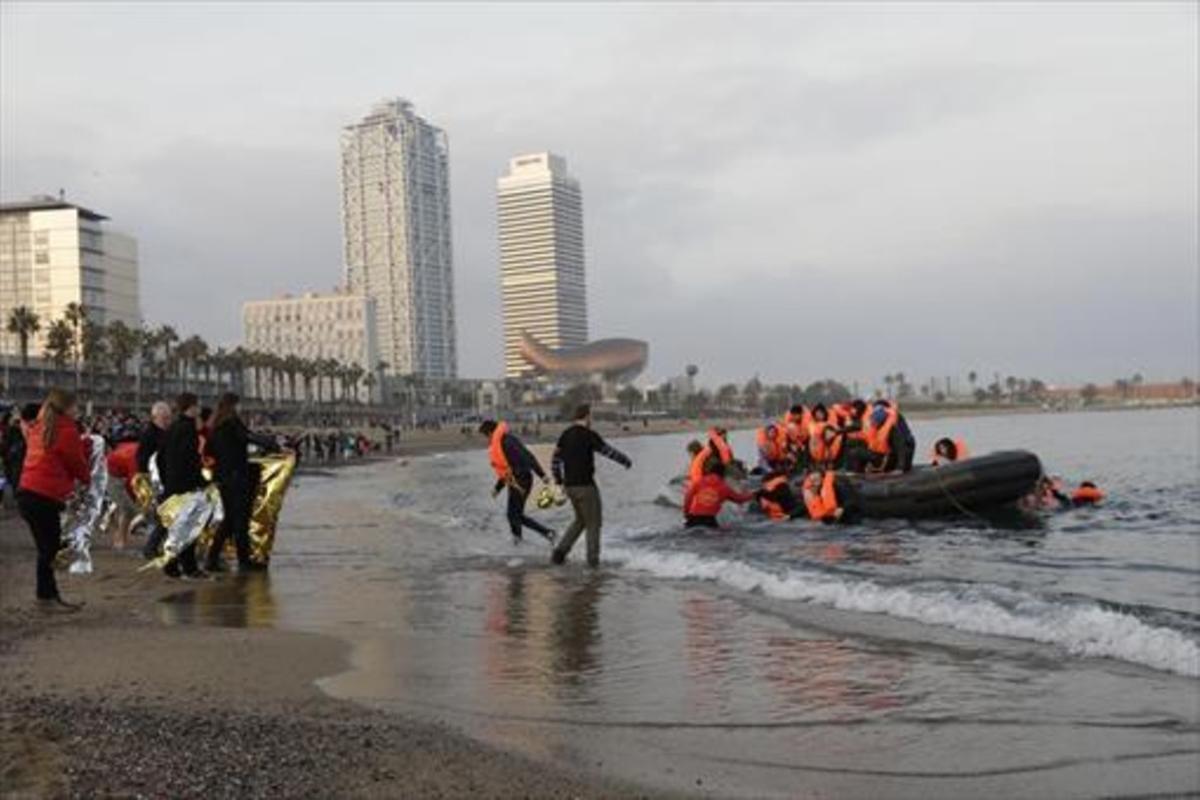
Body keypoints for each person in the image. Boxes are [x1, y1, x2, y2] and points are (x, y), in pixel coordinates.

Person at [16, 389, 90, 610]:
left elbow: (55, 455)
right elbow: (75, 462)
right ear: (66, 408)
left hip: (28, 492)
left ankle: (48, 596)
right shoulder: (67, 430)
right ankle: (46, 598)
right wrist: (87, 478)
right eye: (75, 406)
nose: (78, 410)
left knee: (47, 549)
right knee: (49, 550)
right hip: (45, 496)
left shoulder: (40, 427)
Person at [549, 404, 632, 566]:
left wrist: (559, 481)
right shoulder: (589, 435)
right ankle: (593, 562)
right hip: (586, 486)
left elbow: (555, 460)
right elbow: (608, 451)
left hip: (570, 486)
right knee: (594, 523)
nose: (591, 420)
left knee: (580, 520)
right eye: (590, 417)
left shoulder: (565, 434)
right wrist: (625, 461)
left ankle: (559, 554)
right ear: (587, 416)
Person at [204, 393, 278, 572]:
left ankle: (212, 559)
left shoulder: (216, 425)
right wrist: (272, 444)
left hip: (223, 477)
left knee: (230, 520)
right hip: (236, 477)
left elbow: (212, 450)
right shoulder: (231, 424)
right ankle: (243, 561)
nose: (241, 408)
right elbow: (248, 437)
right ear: (233, 406)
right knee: (240, 520)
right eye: (239, 405)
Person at [479, 419, 556, 545]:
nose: (487, 439)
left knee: (514, 515)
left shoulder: (508, 442)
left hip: (522, 480)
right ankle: (522, 540)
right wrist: (498, 488)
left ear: (490, 432)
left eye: (486, 435)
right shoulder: (503, 441)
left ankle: (543, 534)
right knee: (514, 515)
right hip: (516, 480)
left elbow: (528, 456)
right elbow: (506, 470)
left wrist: (542, 475)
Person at [157, 393, 207, 578]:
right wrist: (200, 481)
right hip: (186, 485)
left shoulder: (173, 428)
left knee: (178, 527)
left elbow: (161, 457)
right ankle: (189, 567)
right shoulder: (188, 429)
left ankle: (172, 564)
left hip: (172, 484)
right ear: (191, 407)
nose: (199, 409)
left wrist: (166, 479)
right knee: (189, 527)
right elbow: (190, 459)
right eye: (197, 406)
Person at [138, 401, 172, 559]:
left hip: (165, 478)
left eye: (169, 417)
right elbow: (142, 459)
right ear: (155, 417)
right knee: (164, 516)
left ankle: (154, 547)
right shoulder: (150, 434)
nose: (167, 421)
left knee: (164, 516)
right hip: (156, 481)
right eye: (164, 418)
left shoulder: (165, 432)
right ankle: (150, 548)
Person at [683, 461, 755, 528]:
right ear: (723, 474)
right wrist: (754, 494)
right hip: (709, 521)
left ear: (710, 472)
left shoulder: (699, 482)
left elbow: (688, 497)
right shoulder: (724, 487)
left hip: (693, 518)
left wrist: (686, 513)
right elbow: (740, 499)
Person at [864, 400, 916, 473]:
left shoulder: (892, 424)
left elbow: (901, 446)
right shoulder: (874, 424)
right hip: (888, 450)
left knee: (903, 462)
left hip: (905, 446)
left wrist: (900, 468)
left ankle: (901, 467)